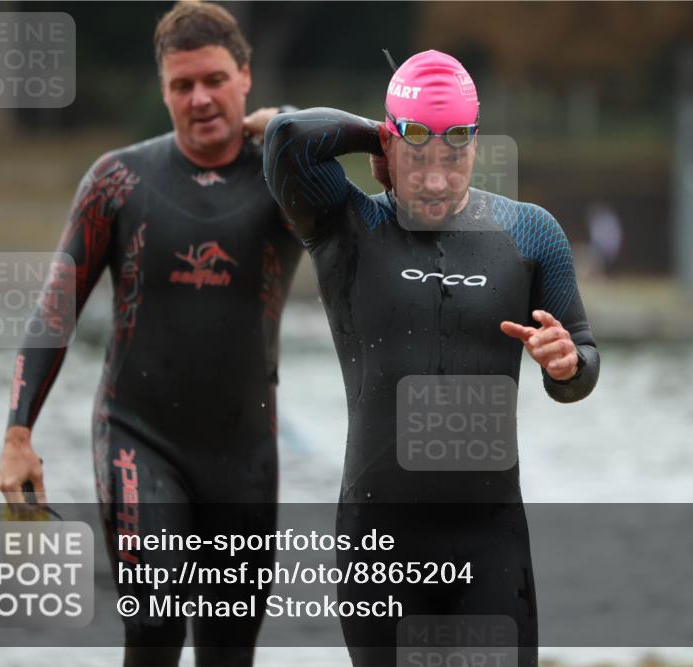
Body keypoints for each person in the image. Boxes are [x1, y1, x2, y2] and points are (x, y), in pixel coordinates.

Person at [264, 50, 600, 666]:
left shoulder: (529, 233)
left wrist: (568, 364)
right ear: (388, 150)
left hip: (489, 539)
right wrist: (385, 129)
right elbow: (286, 139)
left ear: (476, 146)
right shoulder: (347, 227)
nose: (438, 179)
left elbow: (581, 369)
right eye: (418, 157)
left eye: (456, 156)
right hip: (378, 542)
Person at [0, 2, 302, 664]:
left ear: (245, 76)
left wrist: (294, 127)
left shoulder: (288, 176)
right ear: (162, 89)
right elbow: (55, 308)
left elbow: (386, 156)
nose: (200, 99)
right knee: (156, 620)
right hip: (139, 437)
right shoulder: (117, 181)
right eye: (180, 85)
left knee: (229, 645)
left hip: (245, 452)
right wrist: (18, 434)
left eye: (214, 79)